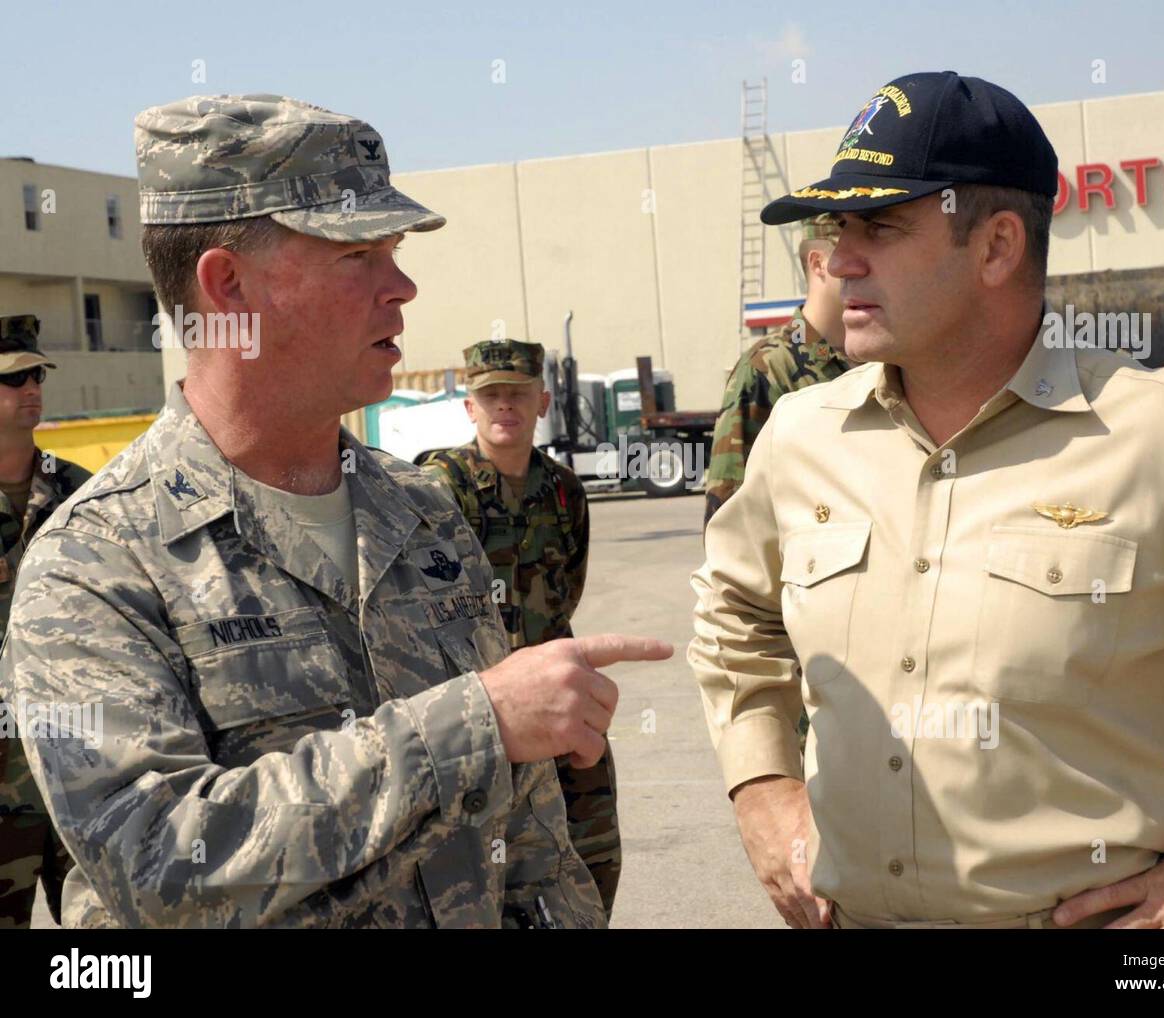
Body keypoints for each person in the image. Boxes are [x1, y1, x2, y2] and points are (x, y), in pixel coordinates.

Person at [0, 94, 670, 929]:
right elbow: (160, 859)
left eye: (394, 251)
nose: (403, 286)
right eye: (359, 254)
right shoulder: (94, 563)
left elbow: (530, 838)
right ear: (227, 285)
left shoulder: (422, 513)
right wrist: (473, 720)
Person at [689, 70, 1164, 930]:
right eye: (836, 228)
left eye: (881, 225)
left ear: (997, 247)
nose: (839, 259)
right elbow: (734, 611)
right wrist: (762, 786)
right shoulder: (801, 436)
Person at [424, 339, 620, 917]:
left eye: (518, 394)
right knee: (478, 872)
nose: (504, 406)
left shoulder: (563, 491)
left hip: (559, 694)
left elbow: (568, 591)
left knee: (593, 852)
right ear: (469, 408)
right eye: (491, 396)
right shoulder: (440, 488)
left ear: (543, 402)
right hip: (479, 708)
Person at [0, 315, 91, 928]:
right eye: (13, 379)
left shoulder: (82, 493)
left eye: (36, 374)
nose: (32, 386)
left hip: (78, 761)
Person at [703, 215, 850, 529]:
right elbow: (729, 512)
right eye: (848, 256)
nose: (864, 267)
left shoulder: (879, 360)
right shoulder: (766, 368)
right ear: (819, 264)